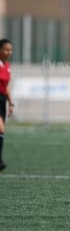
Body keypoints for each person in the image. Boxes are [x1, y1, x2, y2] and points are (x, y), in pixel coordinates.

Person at [0, 39, 14, 171]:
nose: (9, 52)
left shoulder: (7, 66)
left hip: (2, 100)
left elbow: (5, 87)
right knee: (1, 129)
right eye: (6, 49)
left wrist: (11, 103)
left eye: (10, 50)